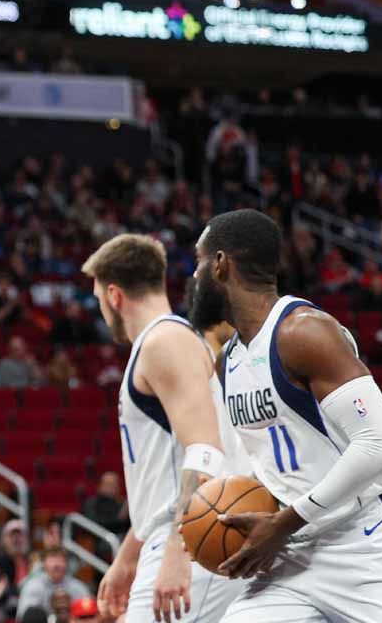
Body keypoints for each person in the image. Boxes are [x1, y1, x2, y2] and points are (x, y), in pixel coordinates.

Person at [188, 209, 382, 622]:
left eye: (199, 262)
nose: (193, 277)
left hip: (363, 545)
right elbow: (281, 462)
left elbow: (378, 443)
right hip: (292, 558)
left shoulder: (304, 332)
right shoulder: (228, 362)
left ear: (221, 264)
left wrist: (284, 522)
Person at [81, 233, 244, 623]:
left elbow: (205, 451)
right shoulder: (167, 342)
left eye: (99, 299)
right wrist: (128, 555)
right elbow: (160, 474)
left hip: (194, 537)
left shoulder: (165, 341)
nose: (102, 310)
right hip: (184, 533)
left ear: (114, 295)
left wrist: (178, 549)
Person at [15, 548, 91, 619]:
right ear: (44, 564)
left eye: (60, 560)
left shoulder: (78, 587)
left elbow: (91, 615)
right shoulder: (33, 585)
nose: (57, 565)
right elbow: (24, 616)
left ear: (67, 564)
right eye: (52, 560)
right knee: (32, 613)